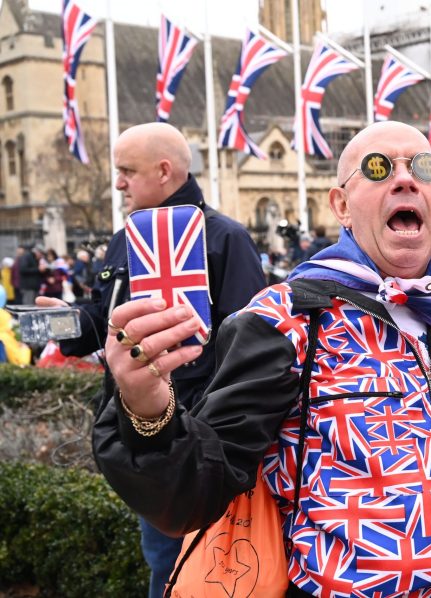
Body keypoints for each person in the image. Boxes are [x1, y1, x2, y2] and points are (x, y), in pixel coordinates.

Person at [93, 121, 431, 596]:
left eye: (422, 166)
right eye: (378, 168)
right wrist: (145, 408)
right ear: (341, 206)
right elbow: (195, 491)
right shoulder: (286, 319)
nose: (404, 178)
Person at [38, 122, 266, 598]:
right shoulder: (127, 238)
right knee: (162, 564)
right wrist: (70, 323)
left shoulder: (226, 238)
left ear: (164, 171)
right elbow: (109, 321)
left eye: (126, 171)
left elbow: (251, 346)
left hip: (206, 443)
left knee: (215, 569)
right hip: (141, 433)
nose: (117, 183)